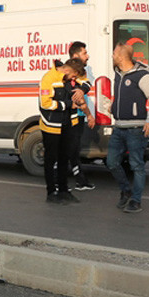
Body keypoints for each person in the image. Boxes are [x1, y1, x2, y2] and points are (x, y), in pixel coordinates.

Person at [106, 43, 149, 214]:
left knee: (137, 165)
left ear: (122, 55)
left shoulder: (141, 75)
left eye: (114, 52)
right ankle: (125, 190)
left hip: (136, 129)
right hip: (119, 127)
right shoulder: (117, 74)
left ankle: (136, 200)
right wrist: (113, 108)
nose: (112, 55)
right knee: (112, 162)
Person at [39, 58, 85, 204]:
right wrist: (69, 104)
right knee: (51, 159)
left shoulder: (69, 76)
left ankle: (64, 190)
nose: (74, 80)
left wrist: (82, 91)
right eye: (73, 77)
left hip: (67, 124)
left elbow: (85, 81)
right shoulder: (49, 78)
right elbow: (45, 103)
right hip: (51, 124)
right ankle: (51, 192)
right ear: (67, 70)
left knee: (64, 158)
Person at [66, 41, 96, 191]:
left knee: (74, 149)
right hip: (68, 118)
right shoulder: (67, 72)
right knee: (69, 149)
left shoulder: (83, 71)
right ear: (76, 55)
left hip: (78, 116)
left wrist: (83, 89)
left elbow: (88, 83)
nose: (88, 56)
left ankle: (79, 180)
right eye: (85, 53)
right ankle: (72, 181)